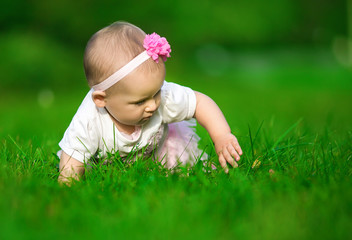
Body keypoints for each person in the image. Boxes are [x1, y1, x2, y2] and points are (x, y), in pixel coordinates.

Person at [58, 21, 242, 184]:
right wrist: (68, 185)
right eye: (139, 102)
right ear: (101, 99)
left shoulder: (158, 95)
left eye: (156, 93)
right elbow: (72, 160)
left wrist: (222, 136)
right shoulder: (90, 119)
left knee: (180, 165)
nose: (153, 105)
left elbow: (200, 102)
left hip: (159, 153)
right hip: (107, 165)